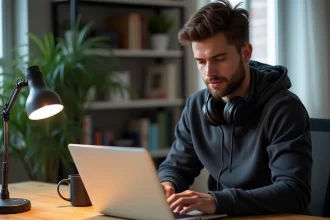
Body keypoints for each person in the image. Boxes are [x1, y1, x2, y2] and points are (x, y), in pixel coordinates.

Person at [157, 0, 312, 216]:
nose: (209, 72)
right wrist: (167, 185)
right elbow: (175, 166)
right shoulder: (197, 106)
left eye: (219, 59)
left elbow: (294, 193)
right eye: (201, 61)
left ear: (246, 53)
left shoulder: (284, 109)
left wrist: (216, 201)